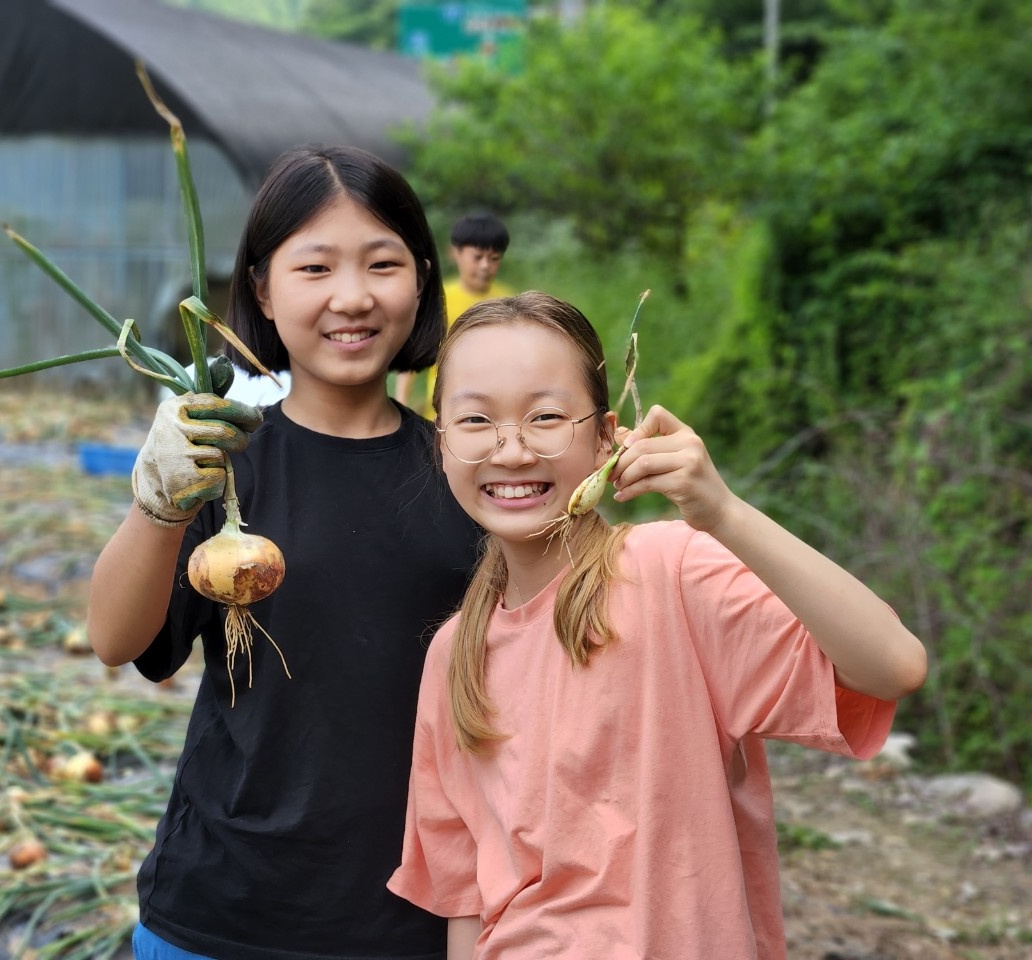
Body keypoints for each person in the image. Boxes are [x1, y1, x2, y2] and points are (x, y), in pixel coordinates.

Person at [387, 292, 929, 958]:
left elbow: (893, 665)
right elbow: (467, 897)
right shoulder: (452, 656)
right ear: (442, 443)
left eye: (546, 416)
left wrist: (724, 514)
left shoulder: (669, 571)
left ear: (604, 438)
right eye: (476, 420)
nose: (512, 449)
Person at [87, 145, 482, 960]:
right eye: (315, 268)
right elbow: (118, 642)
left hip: (415, 916)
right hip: (223, 911)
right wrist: (158, 503)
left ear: (421, 278)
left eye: (383, 263)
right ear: (262, 289)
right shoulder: (223, 465)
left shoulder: (468, 475)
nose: (353, 296)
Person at [395, 212, 512, 414]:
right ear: (454, 253)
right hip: (443, 413)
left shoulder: (508, 302)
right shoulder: (438, 300)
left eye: (493, 259)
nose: (485, 266)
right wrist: (401, 402)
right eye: (477, 257)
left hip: (495, 411)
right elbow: (414, 353)